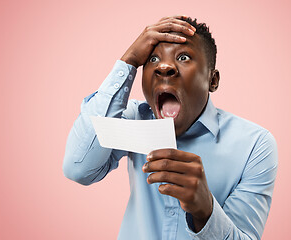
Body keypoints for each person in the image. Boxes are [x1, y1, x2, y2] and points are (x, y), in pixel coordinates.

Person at [63, 15, 278, 240]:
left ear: (212, 81)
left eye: (183, 57)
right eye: (153, 60)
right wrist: (128, 61)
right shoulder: (133, 118)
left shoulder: (255, 145)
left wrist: (205, 212)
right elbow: (78, 168)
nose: (164, 66)